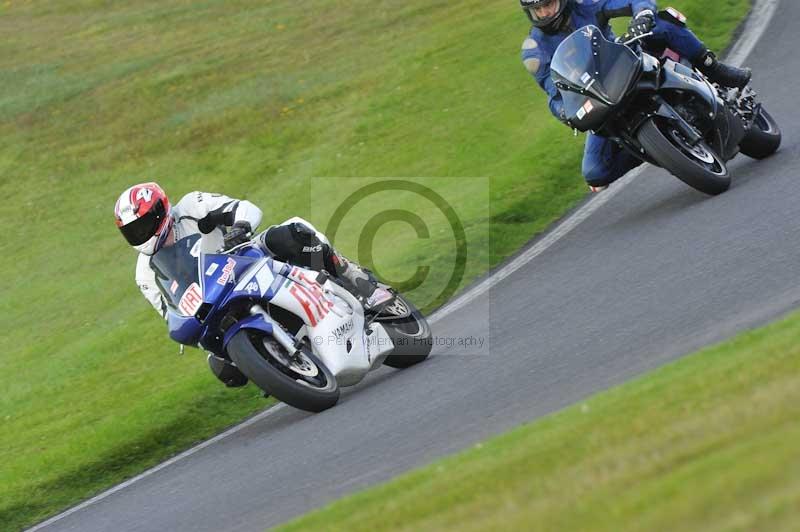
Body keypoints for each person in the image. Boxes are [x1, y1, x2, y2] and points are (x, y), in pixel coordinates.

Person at [114, 182, 391, 387]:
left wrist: (239, 227)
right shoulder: (145, 273)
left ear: (161, 210)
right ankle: (276, 363)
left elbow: (243, 208)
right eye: (132, 232)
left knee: (292, 234)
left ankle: (355, 280)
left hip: (245, 257)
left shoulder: (190, 207)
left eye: (144, 224)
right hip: (214, 302)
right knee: (224, 370)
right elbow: (169, 312)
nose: (141, 234)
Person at [520, 0, 752, 192]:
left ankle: (716, 70)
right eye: (536, 10)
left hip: (625, 61)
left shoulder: (585, 5)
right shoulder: (534, 51)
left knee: (663, 22)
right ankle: (657, 148)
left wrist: (641, 16)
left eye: (547, 5)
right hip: (600, 98)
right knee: (595, 173)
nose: (543, 13)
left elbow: (632, 1)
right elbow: (554, 93)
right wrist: (565, 113)